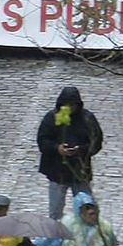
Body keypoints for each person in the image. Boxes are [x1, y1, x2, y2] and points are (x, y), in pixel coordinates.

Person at [36, 84, 104, 218]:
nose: (70, 108)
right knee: (55, 212)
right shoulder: (51, 118)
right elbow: (42, 141)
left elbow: (96, 142)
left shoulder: (87, 119)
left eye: (73, 105)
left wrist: (81, 150)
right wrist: (57, 148)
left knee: (87, 208)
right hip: (57, 172)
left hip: (79, 171)